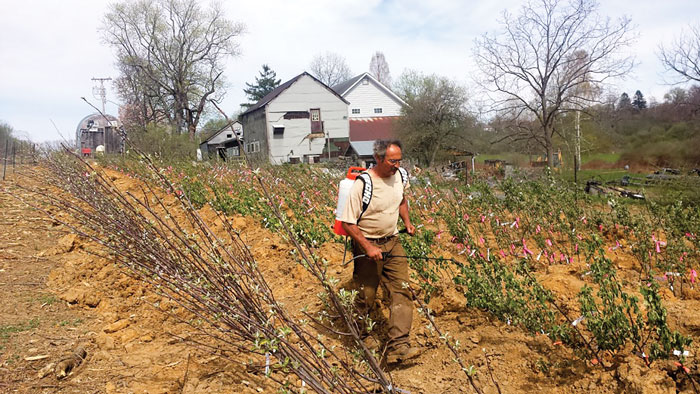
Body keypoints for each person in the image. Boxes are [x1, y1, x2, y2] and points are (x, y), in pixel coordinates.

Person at [340, 140, 419, 364]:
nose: (396, 165)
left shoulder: (400, 176)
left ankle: (399, 346)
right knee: (367, 295)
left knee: (401, 291)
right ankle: (362, 335)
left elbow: (402, 199)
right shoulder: (363, 183)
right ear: (378, 158)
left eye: (399, 160)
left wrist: (407, 221)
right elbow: (347, 222)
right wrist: (368, 246)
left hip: (393, 242)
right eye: (392, 161)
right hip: (367, 244)